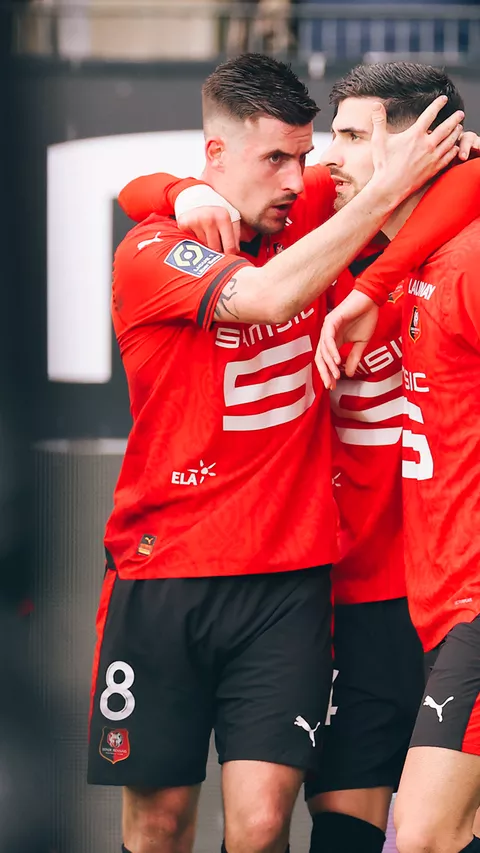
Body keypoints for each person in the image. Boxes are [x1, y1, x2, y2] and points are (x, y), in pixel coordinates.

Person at [87, 53, 464, 853]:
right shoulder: (152, 252)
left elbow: (442, 179)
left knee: (261, 822)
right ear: (217, 154)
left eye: (305, 155)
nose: (301, 178)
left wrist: (377, 265)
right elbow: (264, 295)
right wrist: (175, 191)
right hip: (161, 573)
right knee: (158, 822)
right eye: (276, 159)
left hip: (287, 581)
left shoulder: (301, 206)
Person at [314, 62, 480, 853]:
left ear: (423, 142)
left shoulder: (470, 261)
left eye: (353, 135)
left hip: (473, 601)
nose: (331, 155)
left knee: (420, 834)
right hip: (432, 602)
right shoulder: (412, 260)